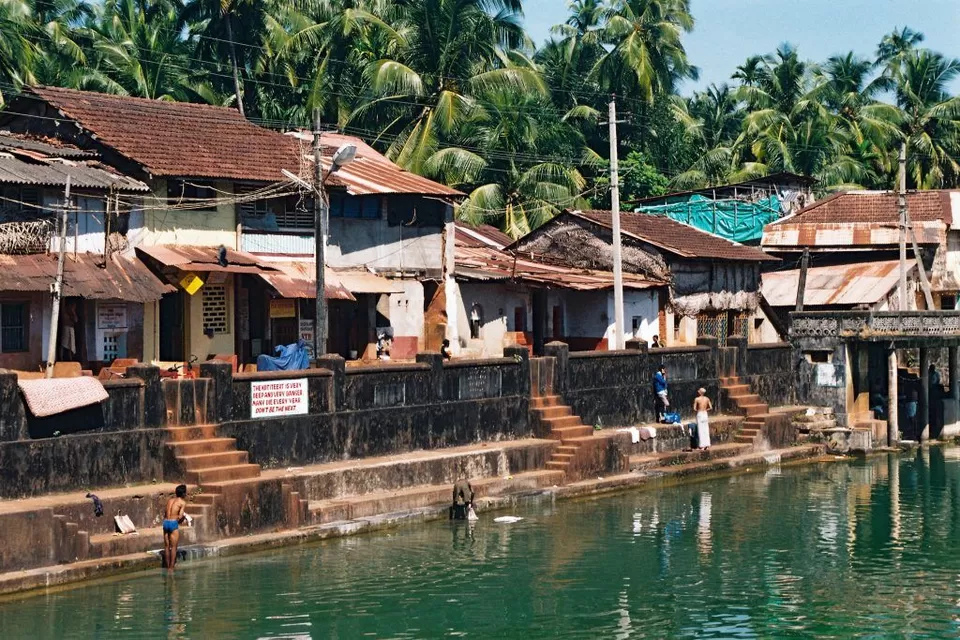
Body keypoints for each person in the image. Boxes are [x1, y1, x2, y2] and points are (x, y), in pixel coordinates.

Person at [163, 485, 188, 571]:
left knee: (167, 546)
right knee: (174, 547)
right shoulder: (182, 502)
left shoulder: (170, 500)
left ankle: (167, 567)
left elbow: (165, 513)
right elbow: (180, 516)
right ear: (184, 494)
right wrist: (184, 518)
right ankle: (171, 568)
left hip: (165, 523)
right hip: (173, 523)